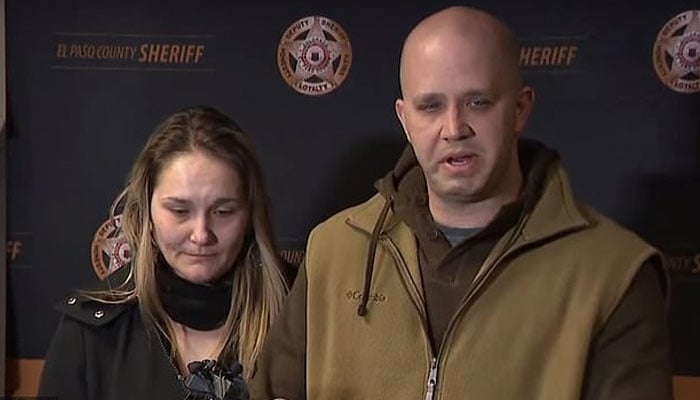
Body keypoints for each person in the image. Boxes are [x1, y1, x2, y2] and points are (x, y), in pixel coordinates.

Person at [250, 5, 672, 400]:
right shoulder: (334, 250)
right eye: (430, 106)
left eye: (478, 102)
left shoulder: (615, 273)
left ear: (520, 109)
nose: (454, 128)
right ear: (405, 119)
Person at [39, 106, 291, 400]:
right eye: (179, 211)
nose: (201, 235)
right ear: (147, 210)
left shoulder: (300, 313)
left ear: (250, 214)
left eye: (223, 211)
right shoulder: (90, 334)